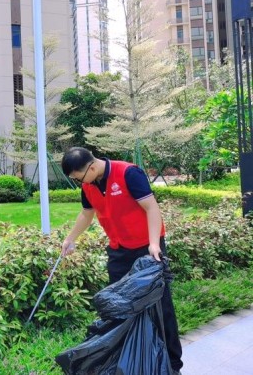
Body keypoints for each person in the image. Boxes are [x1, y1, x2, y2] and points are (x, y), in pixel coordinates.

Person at [60, 147, 183, 375]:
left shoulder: (128, 173)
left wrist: (154, 243)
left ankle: (173, 364)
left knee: (161, 305)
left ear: (92, 167)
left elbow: (151, 208)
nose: (80, 183)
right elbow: (87, 214)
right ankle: (128, 361)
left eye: (79, 178)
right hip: (119, 250)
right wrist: (70, 239)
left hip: (148, 250)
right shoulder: (88, 185)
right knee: (118, 308)